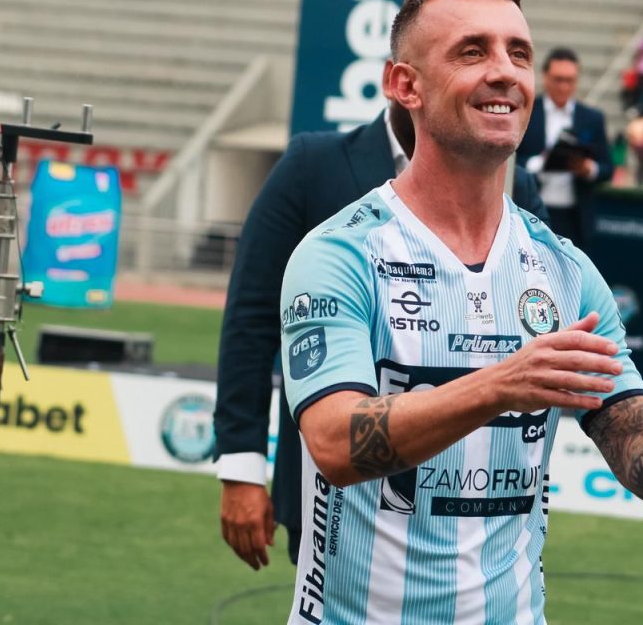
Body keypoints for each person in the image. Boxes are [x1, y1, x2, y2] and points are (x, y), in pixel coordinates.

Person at [278, 0, 643, 624]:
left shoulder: (565, 271)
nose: (505, 72)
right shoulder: (340, 254)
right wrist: (500, 385)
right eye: (472, 51)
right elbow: (335, 445)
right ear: (405, 85)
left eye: (519, 53)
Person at [214, 87, 550, 571]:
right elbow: (252, 316)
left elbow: (542, 310)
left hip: (477, 498)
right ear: (402, 80)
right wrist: (242, 465)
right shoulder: (314, 165)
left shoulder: (513, 183)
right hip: (337, 494)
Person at [517, 46, 613, 248]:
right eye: (558, 80)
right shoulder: (526, 112)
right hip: (531, 212)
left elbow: (607, 168)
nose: (563, 87)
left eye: (570, 80)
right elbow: (510, 161)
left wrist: (589, 169)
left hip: (576, 217)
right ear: (545, 77)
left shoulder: (592, 118)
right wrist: (539, 163)